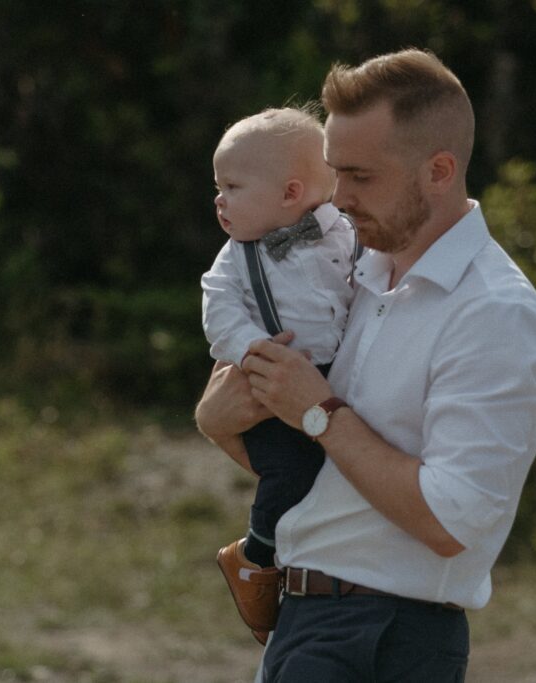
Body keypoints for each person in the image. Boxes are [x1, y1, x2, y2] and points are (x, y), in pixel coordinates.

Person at [196, 48, 536, 681]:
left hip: (389, 640)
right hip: (304, 622)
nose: (338, 196)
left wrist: (318, 411)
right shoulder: (355, 272)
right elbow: (322, 473)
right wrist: (217, 420)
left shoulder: (496, 314)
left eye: (361, 176)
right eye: (335, 172)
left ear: (439, 171)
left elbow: (452, 523)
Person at [200, 106, 357, 643]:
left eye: (233, 186)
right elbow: (219, 312)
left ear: (291, 194)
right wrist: (250, 349)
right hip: (272, 386)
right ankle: (258, 556)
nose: (219, 199)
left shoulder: (346, 234)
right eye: (218, 186)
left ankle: (300, 562)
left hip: (340, 378)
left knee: (342, 468)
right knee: (288, 474)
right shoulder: (234, 260)